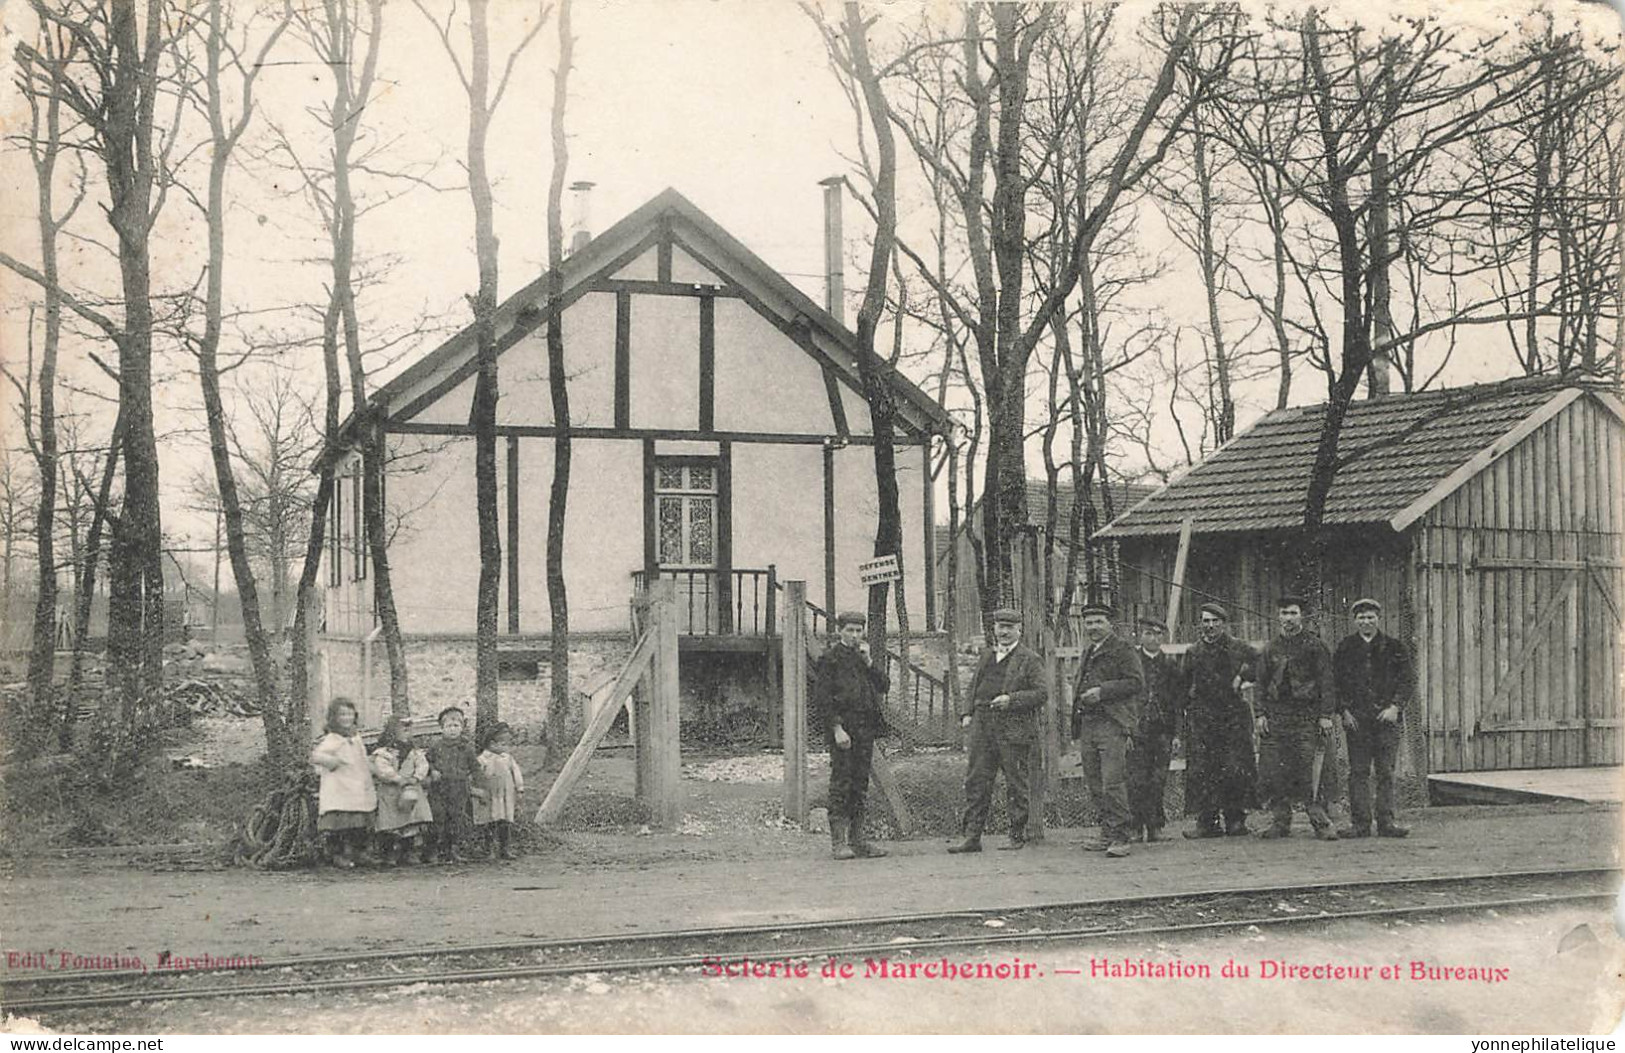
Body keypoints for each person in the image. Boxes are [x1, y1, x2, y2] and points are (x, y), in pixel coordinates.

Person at [950, 608, 1047, 853]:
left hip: (1013, 728)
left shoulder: (1029, 658)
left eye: (1009, 627)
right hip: (983, 726)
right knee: (976, 780)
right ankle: (972, 837)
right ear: (994, 629)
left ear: (1019, 630)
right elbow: (973, 687)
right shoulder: (986, 656)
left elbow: (1041, 693)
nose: (1004, 632)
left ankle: (1016, 835)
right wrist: (966, 713)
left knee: (1015, 782)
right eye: (1000, 627)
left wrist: (1011, 700)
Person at [1256, 595, 1338, 841]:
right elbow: (1260, 684)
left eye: (1292, 613)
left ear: (1302, 616)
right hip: (1278, 717)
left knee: (1311, 770)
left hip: (1307, 717)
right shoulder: (1271, 648)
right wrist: (1260, 714)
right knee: (1275, 770)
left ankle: (1320, 822)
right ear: (1278, 616)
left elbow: (1327, 682)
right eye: (1284, 613)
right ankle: (1281, 822)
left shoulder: (1315, 646)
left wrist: (1325, 715)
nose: (1288, 618)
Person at [812, 611, 891, 861]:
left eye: (859, 631)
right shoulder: (830, 659)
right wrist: (836, 728)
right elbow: (823, 699)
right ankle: (838, 843)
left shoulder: (862, 658)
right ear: (840, 631)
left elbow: (884, 685)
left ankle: (859, 841)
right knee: (841, 784)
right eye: (850, 630)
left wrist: (869, 662)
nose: (855, 635)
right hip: (843, 731)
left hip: (865, 729)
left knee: (860, 784)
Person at [1070, 604, 1145, 858]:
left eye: (1098, 622)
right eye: (1089, 623)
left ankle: (1122, 836)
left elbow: (1136, 682)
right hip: (1089, 724)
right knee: (1095, 782)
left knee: (1112, 781)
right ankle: (1107, 832)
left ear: (1110, 624)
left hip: (1112, 723)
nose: (1093, 627)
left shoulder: (1122, 649)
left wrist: (1102, 692)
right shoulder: (1089, 651)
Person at [1334, 599, 1412, 838]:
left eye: (1370, 617)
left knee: (1386, 771)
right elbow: (1335, 683)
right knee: (1358, 771)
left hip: (1386, 719)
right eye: (1361, 618)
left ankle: (1387, 822)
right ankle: (1360, 823)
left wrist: (1395, 707)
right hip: (1357, 720)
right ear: (1355, 620)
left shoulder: (1395, 647)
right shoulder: (1345, 648)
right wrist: (1344, 711)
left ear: (1378, 618)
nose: (1366, 622)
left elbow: (1407, 680)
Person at [1182, 602, 1259, 839]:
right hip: (1204, 719)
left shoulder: (1238, 648)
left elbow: (1262, 665)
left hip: (1233, 716)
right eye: (1206, 621)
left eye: (1215, 621)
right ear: (1201, 624)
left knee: (1235, 767)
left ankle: (1236, 820)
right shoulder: (1194, 652)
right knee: (1204, 769)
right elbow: (1183, 685)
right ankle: (1207, 822)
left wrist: (1243, 678)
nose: (1210, 626)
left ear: (1223, 624)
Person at [1127, 616, 1183, 844]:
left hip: (1162, 730)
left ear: (1164, 638)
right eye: (1148, 633)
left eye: (1158, 634)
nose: (1153, 638)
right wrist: (1127, 730)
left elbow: (1178, 702)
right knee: (1135, 778)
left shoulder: (1170, 665)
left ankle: (1155, 826)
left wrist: (1178, 733)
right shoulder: (1131, 662)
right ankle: (1135, 827)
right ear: (1140, 636)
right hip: (1137, 730)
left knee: (1158, 778)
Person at [310, 697, 377, 869]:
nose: (346, 718)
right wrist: (332, 762)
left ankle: (358, 854)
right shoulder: (333, 738)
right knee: (340, 825)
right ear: (334, 717)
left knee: (358, 822)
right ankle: (338, 855)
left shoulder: (356, 737)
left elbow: (362, 757)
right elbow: (316, 756)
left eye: (349, 714)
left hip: (356, 785)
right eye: (342, 715)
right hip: (339, 786)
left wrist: (372, 768)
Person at [369, 715, 434, 866]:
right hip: (392, 790)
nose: (406, 731)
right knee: (391, 823)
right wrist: (397, 779)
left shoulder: (415, 751)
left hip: (411, 788)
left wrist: (416, 778)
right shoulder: (384, 752)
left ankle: (409, 852)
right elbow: (382, 769)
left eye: (408, 729)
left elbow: (423, 765)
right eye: (402, 728)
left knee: (411, 821)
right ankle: (389, 854)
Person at [426, 706, 485, 864]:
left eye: (456, 726)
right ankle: (433, 851)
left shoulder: (466, 748)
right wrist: (432, 770)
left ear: (462, 727)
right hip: (439, 789)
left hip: (459, 789)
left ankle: (452, 849)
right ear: (442, 728)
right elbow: (427, 762)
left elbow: (475, 767)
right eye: (449, 726)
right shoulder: (436, 746)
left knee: (456, 819)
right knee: (438, 818)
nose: (453, 730)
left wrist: (479, 786)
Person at [475, 721, 525, 860]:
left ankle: (505, 849)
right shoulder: (482, 759)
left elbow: (516, 773)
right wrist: (477, 791)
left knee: (505, 822)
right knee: (490, 821)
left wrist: (519, 788)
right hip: (490, 795)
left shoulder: (507, 759)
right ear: (492, 744)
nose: (505, 748)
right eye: (502, 744)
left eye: (506, 744)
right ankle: (489, 849)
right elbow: (477, 776)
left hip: (506, 795)